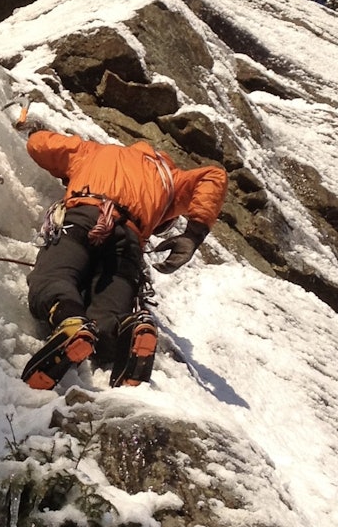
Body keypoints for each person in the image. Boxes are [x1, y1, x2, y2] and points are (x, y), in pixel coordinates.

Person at [19, 126, 228, 390]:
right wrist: (193, 235)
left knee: (52, 278)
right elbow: (213, 176)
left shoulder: (92, 151)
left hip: (84, 217)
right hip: (128, 241)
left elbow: (38, 143)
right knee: (108, 315)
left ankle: (69, 320)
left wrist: (55, 156)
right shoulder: (170, 180)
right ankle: (125, 330)